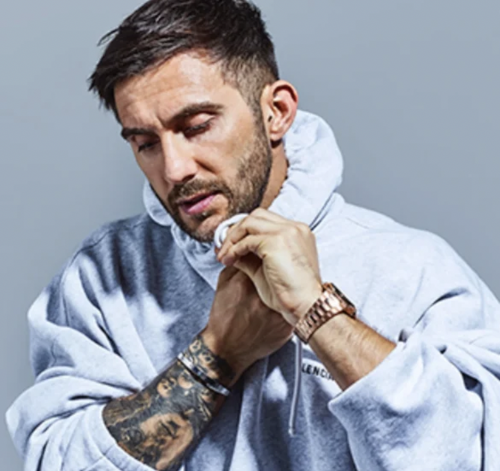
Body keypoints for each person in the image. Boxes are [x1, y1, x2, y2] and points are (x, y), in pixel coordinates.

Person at [6, 0, 500, 470]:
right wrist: (219, 352)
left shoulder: (414, 269)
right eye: (145, 143)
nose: (174, 169)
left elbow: (467, 456)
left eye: (197, 126)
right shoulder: (104, 277)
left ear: (276, 111)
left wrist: (316, 312)